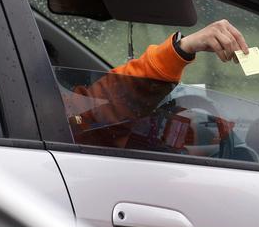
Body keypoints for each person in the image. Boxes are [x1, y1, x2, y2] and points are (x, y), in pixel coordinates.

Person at [63, 19, 248, 150]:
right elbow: (95, 115)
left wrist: (181, 49)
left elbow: (92, 113)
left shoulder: (52, 114)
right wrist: (181, 49)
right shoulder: (54, 119)